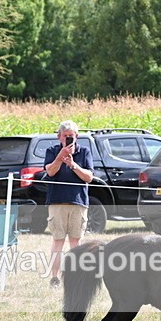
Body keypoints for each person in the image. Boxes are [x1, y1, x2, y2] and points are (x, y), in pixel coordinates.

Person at [43, 121, 94, 288]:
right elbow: (50, 171)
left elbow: (89, 177)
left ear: (77, 136)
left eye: (71, 136)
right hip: (57, 202)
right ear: (59, 137)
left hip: (78, 203)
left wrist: (72, 164)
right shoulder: (51, 151)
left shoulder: (84, 152)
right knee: (58, 241)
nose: (68, 139)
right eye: (65, 136)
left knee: (75, 243)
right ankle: (54, 278)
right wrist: (60, 157)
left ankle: (75, 277)